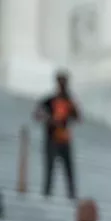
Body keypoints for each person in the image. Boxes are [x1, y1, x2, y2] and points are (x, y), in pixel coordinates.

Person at [34, 70, 80, 199]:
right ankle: (47, 192)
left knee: (68, 169)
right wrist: (49, 119)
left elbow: (77, 117)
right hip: (52, 138)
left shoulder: (69, 101)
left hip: (64, 139)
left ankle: (71, 194)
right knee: (50, 167)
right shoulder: (51, 100)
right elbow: (38, 113)